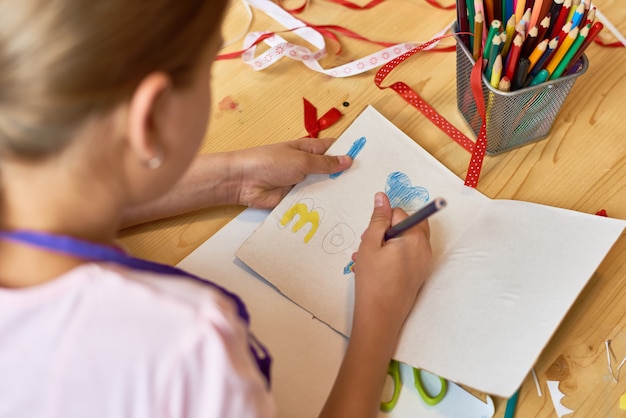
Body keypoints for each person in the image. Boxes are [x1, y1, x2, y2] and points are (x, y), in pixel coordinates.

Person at [0, 0, 433, 417]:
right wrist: (378, 318)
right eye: (208, 70)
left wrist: (231, 179)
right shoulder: (185, 348)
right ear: (148, 118)